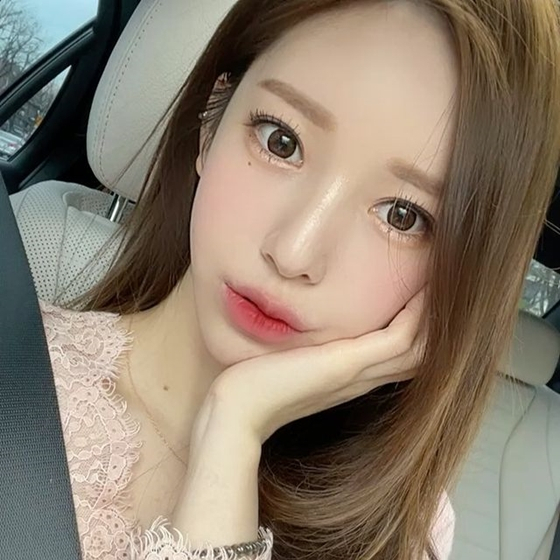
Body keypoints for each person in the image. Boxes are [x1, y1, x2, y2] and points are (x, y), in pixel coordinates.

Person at [37, 0, 560, 558]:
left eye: (402, 216)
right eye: (280, 141)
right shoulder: (16, 371)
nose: (293, 253)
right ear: (210, 125)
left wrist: (233, 430)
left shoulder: (402, 528)